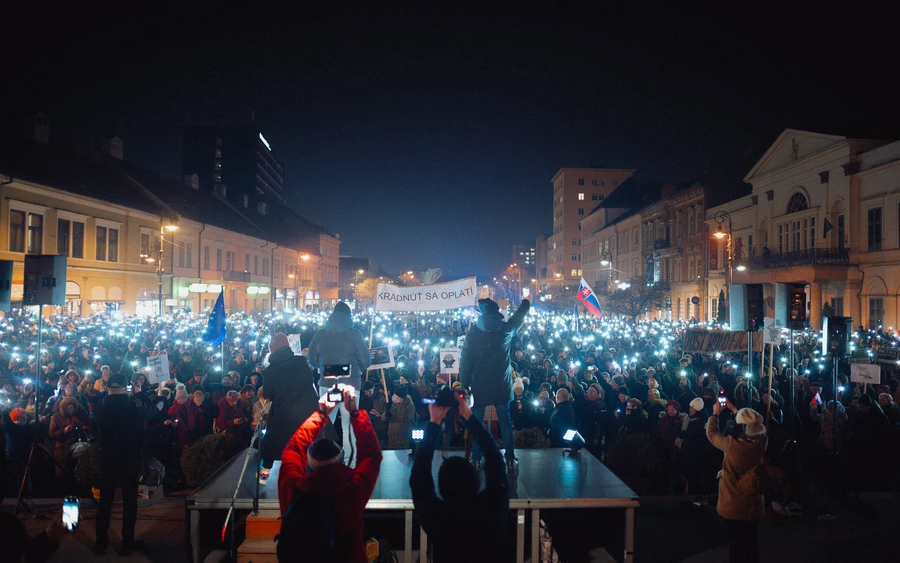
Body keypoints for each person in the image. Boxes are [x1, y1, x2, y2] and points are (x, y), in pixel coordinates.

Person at [277, 387, 382, 562]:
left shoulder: (292, 489)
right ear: (339, 458)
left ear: (308, 460)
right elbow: (371, 454)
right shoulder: (352, 491)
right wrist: (355, 412)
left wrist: (321, 414)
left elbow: (293, 448)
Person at [410, 390, 509, 562]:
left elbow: (419, 476)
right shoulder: (492, 509)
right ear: (475, 479)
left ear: (442, 487)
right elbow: (495, 457)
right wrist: (469, 416)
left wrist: (434, 422)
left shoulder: (437, 518)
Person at [460, 297, 530, 472]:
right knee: (505, 422)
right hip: (502, 386)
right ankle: (510, 460)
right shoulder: (506, 330)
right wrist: (526, 302)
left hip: (479, 386)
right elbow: (519, 317)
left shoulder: (473, 334)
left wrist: (465, 385)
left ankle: (476, 459)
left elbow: (465, 362)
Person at [307, 302, 372, 465]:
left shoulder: (320, 334)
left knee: (325, 423)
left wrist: (324, 366)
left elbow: (312, 359)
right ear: (349, 316)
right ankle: (350, 462)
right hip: (349, 386)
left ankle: (322, 460)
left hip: (327, 384)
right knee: (349, 425)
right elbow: (365, 362)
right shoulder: (355, 334)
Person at [707, 399, 768, 563]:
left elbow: (711, 434)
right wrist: (735, 410)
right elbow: (751, 425)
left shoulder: (732, 445)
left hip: (734, 503)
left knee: (736, 546)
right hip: (754, 502)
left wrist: (715, 414)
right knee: (751, 543)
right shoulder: (762, 442)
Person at [94, 373, 145, 555]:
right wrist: (138, 393)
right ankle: (127, 542)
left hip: (107, 458)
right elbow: (147, 416)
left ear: (107, 388)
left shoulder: (100, 408)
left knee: (105, 501)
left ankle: (101, 540)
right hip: (128, 459)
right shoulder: (133, 406)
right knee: (129, 502)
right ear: (126, 387)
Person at [259, 333, 319, 484]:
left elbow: (268, 394)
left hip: (284, 412)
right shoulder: (300, 361)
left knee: (271, 443)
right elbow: (310, 379)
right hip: (307, 410)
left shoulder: (269, 371)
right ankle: (309, 476)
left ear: (271, 348)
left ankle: (264, 476)